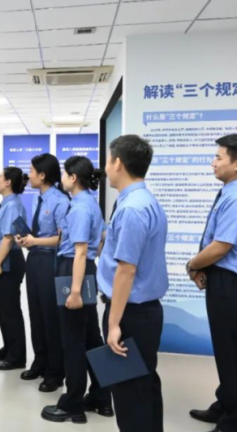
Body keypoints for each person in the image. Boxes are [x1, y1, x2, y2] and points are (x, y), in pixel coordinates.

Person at [186, 134, 237, 432]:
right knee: (226, 351)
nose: (213, 162)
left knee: (235, 356)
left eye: (219, 157)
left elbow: (221, 246)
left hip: (235, 285)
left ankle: (235, 423)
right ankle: (225, 405)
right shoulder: (232, 192)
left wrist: (193, 264)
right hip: (226, 281)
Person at [98, 135, 168, 432]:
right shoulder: (144, 201)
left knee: (129, 396)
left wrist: (114, 324)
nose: (105, 167)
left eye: (107, 160)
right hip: (142, 311)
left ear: (118, 163)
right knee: (143, 388)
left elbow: (126, 271)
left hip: (130, 313)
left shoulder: (132, 209)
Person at [42, 156, 113, 424]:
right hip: (85, 270)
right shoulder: (90, 203)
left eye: (64, 174)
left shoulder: (80, 207)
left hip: (74, 270)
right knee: (92, 337)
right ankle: (102, 397)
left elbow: (80, 252)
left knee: (73, 340)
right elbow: (102, 238)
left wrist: (74, 291)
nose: (61, 178)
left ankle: (73, 403)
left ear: (73, 178)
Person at [15, 153, 69, 392]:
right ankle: (40, 362)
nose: (29, 175)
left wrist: (35, 241)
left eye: (32, 171)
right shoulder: (38, 199)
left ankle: (55, 372)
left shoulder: (60, 201)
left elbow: (63, 238)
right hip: (34, 259)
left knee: (50, 317)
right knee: (35, 314)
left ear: (43, 175)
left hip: (51, 262)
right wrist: (27, 240)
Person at [0, 167, 28, 371]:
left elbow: (8, 238)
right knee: (3, 307)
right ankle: (9, 348)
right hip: (4, 258)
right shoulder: (8, 203)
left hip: (7, 260)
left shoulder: (11, 205)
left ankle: (16, 356)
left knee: (10, 309)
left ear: (8, 182)